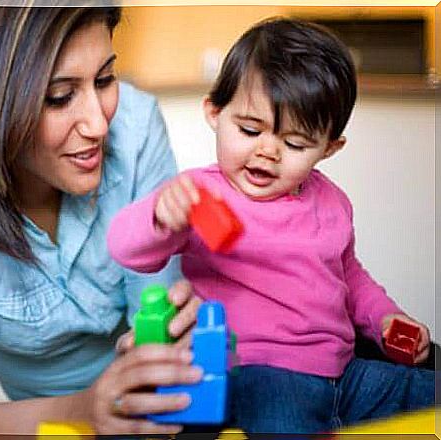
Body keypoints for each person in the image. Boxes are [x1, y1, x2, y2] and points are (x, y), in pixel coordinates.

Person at [0, 5, 205, 436]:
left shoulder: (135, 127)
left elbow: (156, 319)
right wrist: (82, 411)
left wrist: (174, 341)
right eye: (60, 96)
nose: (99, 124)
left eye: (104, 80)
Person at [107, 17, 435, 434]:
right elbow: (125, 247)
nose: (268, 151)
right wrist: (158, 216)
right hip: (258, 373)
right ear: (214, 111)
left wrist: (388, 319)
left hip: (345, 373)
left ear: (329, 147)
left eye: (295, 143)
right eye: (249, 129)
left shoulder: (332, 202)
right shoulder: (197, 196)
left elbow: (351, 278)